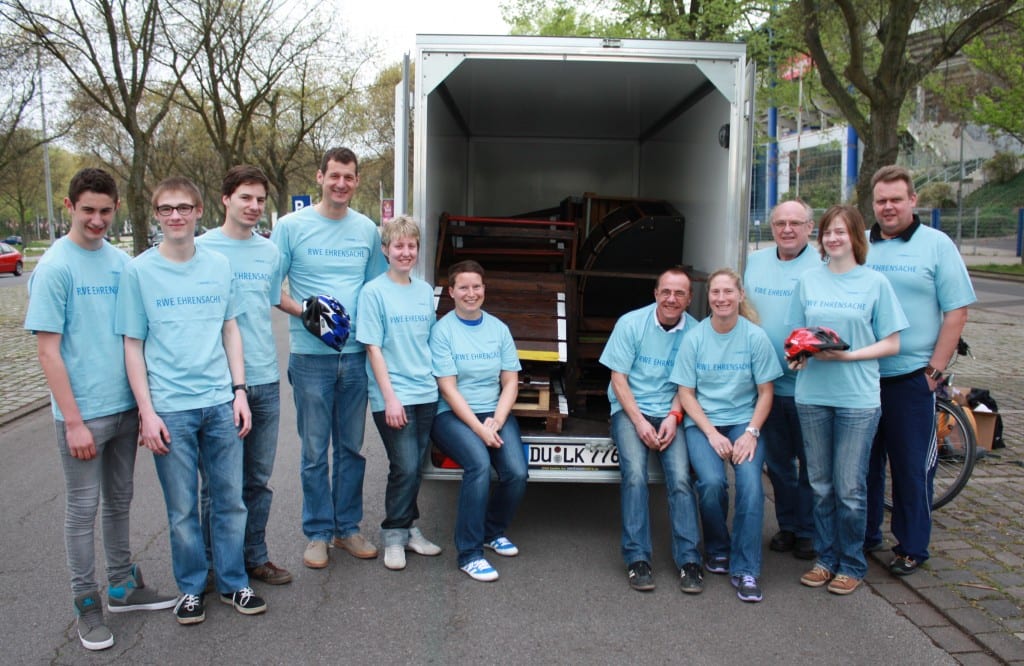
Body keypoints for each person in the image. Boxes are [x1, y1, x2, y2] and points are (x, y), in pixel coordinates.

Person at [24, 168, 176, 650]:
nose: (96, 220)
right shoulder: (55, 268)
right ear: (70, 207)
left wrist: (140, 406)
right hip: (82, 416)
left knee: (119, 502)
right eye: (87, 210)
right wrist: (73, 422)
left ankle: (120, 585)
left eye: (105, 211)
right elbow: (48, 351)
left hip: (124, 409)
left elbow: (133, 337)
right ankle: (85, 600)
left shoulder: (120, 263)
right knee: (82, 509)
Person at [116, 176, 266, 625]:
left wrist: (239, 392)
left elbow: (230, 329)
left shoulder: (220, 266)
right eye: (166, 209)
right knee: (181, 508)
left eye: (184, 207)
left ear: (200, 211)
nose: (176, 216)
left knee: (230, 500)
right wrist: (147, 412)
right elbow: (132, 346)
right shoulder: (138, 271)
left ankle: (234, 583)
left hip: (220, 402)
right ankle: (191, 588)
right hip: (170, 409)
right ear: (156, 214)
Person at [271, 147, 388, 569]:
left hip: (355, 357)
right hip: (311, 358)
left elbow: (376, 290)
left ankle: (347, 529)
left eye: (349, 177)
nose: (341, 183)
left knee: (352, 449)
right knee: (315, 451)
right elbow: (271, 289)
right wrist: (305, 311)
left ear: (356, 181)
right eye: (334, 175)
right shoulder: (290, 227)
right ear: (320, 177)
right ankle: (318, 533)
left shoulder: (366, 231)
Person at [787, 205, 907, 595]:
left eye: (840, 231)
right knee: (820, 484)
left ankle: (852, 563)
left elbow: (893, 342)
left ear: (855, 236)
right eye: (827, 232)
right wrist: (798, 355)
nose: (832, 238)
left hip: (857, 398)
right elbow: (795, 335)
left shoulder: (875, 284)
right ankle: (826, 558)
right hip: (813, 396)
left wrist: (849, 355)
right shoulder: (807, 281)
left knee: (850, 488)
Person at [864, 166, 976, 576]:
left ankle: (911, 546)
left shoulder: (936, 245)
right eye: (881, 200)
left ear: (913, 200)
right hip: (862, 377)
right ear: (873, 205)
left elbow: (957, 312)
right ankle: (865, 535)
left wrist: (935, 369)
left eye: (896, 199)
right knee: (864, 464)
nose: (888, 207)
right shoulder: (861, 245)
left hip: (911, 379)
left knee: (911, 467)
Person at [195, 165, 291, 586]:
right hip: (216, 385)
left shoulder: (269, 252)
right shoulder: (198, 249)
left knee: (257, 481)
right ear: (225, 200)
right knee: (218, 485)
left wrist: (310, 309)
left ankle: (255, 557)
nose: (253, 207)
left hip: (265, 381)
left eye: (259, 200)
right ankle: (215, 566)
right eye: (245, 198)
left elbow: (273, 300)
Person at [671, 268, 781, 603]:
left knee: (749, 485)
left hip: (743, 422)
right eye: (716, 293)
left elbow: (766, 392)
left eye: (728, 292)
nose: (721, 299)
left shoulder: (755, 338)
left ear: (740, 296)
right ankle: (718, 546)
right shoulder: (695, 338)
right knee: (712, 483)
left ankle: (746, 567)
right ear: (709, 298)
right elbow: (686, 393)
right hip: (703, 423)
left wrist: (750, 432)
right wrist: (710, 434)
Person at [598, 267, 703, 593]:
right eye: (666, 292)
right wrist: (641, 422)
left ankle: (689, 560)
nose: (672, 299)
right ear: (656, 294)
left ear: (689, 299)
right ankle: (637, 559)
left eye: (680, 293)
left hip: (672, 410)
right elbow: (619, 379)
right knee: (634, 474)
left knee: (681, 478)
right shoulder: (630, 324)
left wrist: (673, 416)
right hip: (631, 410)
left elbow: (688, 384)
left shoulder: (697, 332)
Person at [429, 260, 528, 582]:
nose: (471, 293)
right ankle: (469, 554)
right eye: (463, 287)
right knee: (480, 466)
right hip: (452, 416)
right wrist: (479, 429)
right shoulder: (442, 331)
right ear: (452, 291)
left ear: (484, 289)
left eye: (476, 286)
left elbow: (510, 381)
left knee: (516, 472)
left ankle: (491, 530)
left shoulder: (498, 329)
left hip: (492, 414)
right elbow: (448, 388)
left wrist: (496, 421)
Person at [356, 215, 442, 571]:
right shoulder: (373, 292)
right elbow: (373, 349)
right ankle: (393, 533)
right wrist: (390, 398)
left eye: (411, 246)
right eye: (398, 246)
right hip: (394, 396)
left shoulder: (423, 291)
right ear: (385, 250)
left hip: (426, 392)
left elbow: (430, 342)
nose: (405, 252)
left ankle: (409, 529)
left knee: (416, 467)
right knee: (403, 465)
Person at [744, 199, 821, 561]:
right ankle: (788, 525)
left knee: (810, 463)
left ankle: (808, 529)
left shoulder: (822, 265)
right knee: (777, 464)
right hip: (766, 387)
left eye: (795, 222)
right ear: (770, 227)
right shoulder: (754, 262)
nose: (787, 229)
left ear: (810, 226)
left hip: (809, 385)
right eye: (780, 223)